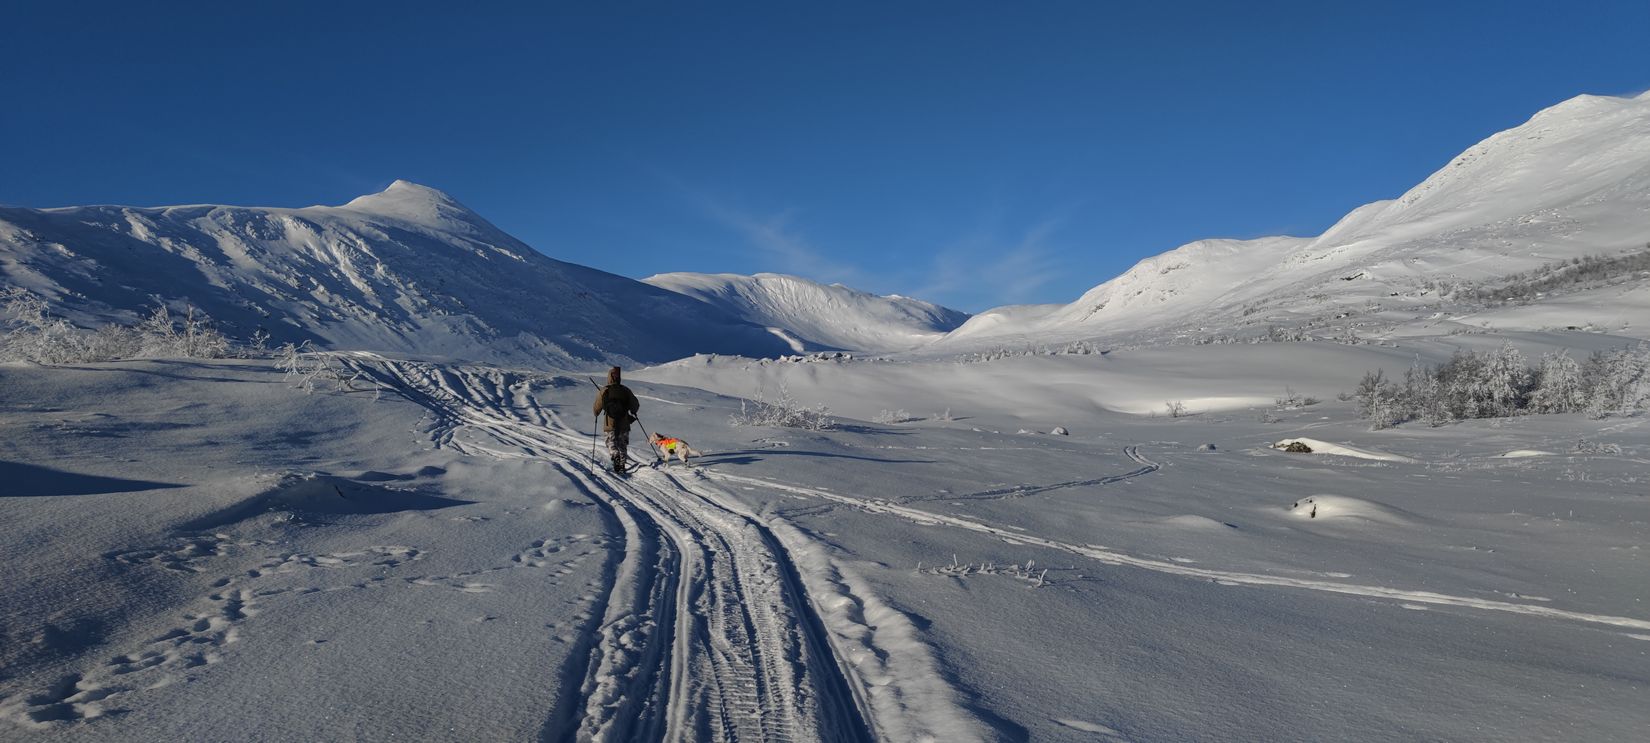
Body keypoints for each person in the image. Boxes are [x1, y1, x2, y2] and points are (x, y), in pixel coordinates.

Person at [592, 366, 640, 473]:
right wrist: (632, 411)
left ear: (609, 377)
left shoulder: (604, 390)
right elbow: (635, 406)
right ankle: (622, 465)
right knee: (622, 444)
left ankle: (615, 455)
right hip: (624, 423)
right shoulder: (626, 390)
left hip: (610, 423)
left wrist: (596, 413)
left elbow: (596, 409)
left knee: (611, 442)